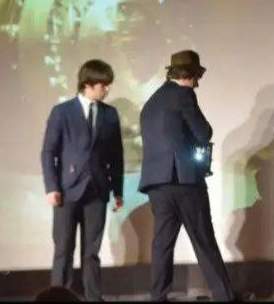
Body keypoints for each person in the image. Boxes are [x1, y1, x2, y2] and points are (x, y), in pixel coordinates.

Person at [139, 50, 234, 302]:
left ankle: (158, 296)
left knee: (162, 243)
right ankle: (223, 295)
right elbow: (203, 132)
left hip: (156, 183)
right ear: (190, 75)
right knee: (203, 238)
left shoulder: (151, 102)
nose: (197, 83)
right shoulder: (183, 95)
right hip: (183, 180)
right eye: (197, 77)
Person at [41, 59, 124, 302]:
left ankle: (93, 297)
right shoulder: (62, 112)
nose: (107, 89)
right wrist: (51, 187)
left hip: (97, 191)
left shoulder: (109, 114)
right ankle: (58, 297)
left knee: (92, 252)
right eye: (103, 84)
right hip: (66, 191)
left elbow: (116, 155)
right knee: (63, 249)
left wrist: (117, 190)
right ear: (88, 84)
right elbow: (49, 152)